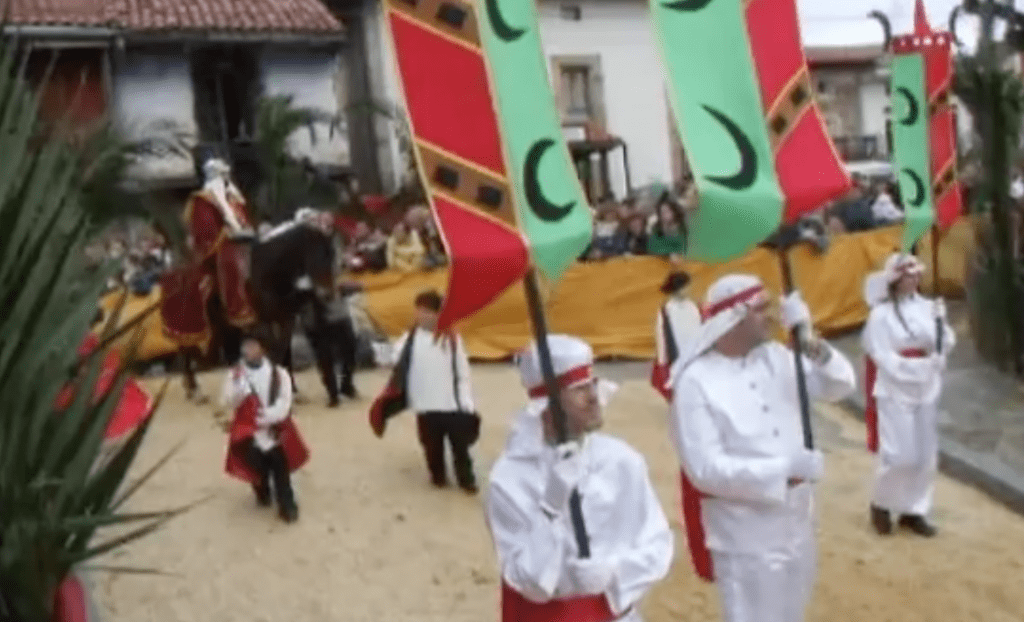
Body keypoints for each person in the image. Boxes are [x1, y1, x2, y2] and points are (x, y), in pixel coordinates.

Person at [670, 274, 856, 622]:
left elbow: (840, 385)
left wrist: (810, 340)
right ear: (734, 318)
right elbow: (704, 470)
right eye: (760, 310)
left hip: (798, 522)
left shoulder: (777, 357)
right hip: (745, 537)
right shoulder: (696, 383)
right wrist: (785, 470)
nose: (771, 317)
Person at [485, 334, 673, 622]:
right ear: (546, 405)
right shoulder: (510, 478)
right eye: (579, 389)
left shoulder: (621, 460)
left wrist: (614, 571)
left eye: (592, 384)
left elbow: (657, 543)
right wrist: (550, 509)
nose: (594, 397)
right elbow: (528, 582)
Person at [861, 253, 955, 537]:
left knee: (926, 454)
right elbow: (882, 356)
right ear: (895, 280)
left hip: (926, 387)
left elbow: (946, 340)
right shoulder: (879, 315)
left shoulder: (929, 308)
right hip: (895, 389)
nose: (913, 280)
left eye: (916, 275)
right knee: (901, 454)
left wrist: (939, 332)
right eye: (907, 275)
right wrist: (918, 366)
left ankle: (915, 510)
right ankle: (881, 503)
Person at [370, 290, 480, 492]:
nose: (422, 316)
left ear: (439, 314)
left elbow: (463, 372)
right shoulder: (410, 338)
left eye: (427, 311)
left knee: (460, 447)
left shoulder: (452, 339)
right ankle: (438, 476)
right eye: (419, 311)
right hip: (425, 406)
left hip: (452, 405)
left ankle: (467, 480)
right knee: (431, 446)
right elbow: (394, 359)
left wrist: (466, 402)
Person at [221, 333, 309, 523]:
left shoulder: (279, 374)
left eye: (253, 345)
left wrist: (268, 417)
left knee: (280, 466)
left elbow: (285, 401)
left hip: (274, 429)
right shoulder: (236, 374)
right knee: (256, 465)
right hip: (249, 432)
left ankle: (287, 505)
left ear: (263, 348)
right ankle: (262, 490)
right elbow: (227, 400)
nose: (249, 350)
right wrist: (238, 388)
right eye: (246, 346)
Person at [301, 281, 362, 407]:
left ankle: (346, 386)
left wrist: (345, 287)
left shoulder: (332, 266)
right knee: (325, 358)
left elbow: (351, 284)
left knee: (350, 350)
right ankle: (333, 394)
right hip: (317, 320)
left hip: (340, 316)